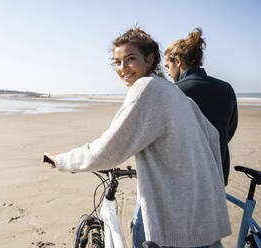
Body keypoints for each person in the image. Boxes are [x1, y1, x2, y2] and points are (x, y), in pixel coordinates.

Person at [44, 28, 231, 248]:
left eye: (130, 59)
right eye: (117, 62)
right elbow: (212, 136)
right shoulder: (175, 93)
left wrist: (63, 160)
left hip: (174, 222)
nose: (122, 68)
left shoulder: (146, 88)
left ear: (150, 59)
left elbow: (108, 150)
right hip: (204, 214)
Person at [164, 28, 238, 186]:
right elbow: (228, 132)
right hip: (217, 175)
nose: (168, 73)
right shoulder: (226, 88)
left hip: (183, 178)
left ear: (177, 61)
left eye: (167, 66)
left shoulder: (174, 91)